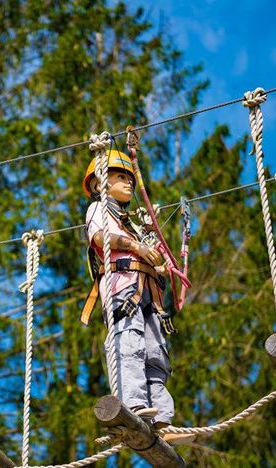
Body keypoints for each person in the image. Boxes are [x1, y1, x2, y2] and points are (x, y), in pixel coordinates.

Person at [80, 149, 195, 446]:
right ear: (99, 183)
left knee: (156, 354)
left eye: (130, 178)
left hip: (148, 295)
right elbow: (99, 238)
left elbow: (151, 254)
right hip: (122, 290)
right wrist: (137, 247)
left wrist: (160, 260)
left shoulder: (131, 221)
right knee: (128, 344)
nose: (129, 183)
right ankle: (132, 405)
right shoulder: (98, 211)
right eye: (121, 177)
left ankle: (162, 420)